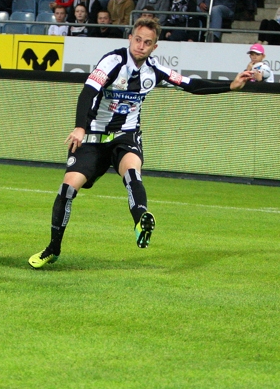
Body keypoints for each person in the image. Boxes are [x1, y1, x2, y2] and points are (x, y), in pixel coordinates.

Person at [28, 17, 255, 269]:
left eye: (147, 42)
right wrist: (80, 127)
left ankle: (141, 222)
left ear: (154, 47)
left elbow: (191, 85)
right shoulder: (112, 62)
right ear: (130, 38)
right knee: (67, 190)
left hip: (126, 136)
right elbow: (88, 93)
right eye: (138, 40)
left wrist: (230, 86)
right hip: (93, 137)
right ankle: (53, 249)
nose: (141, 46)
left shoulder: (155, 70)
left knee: (132, 172)